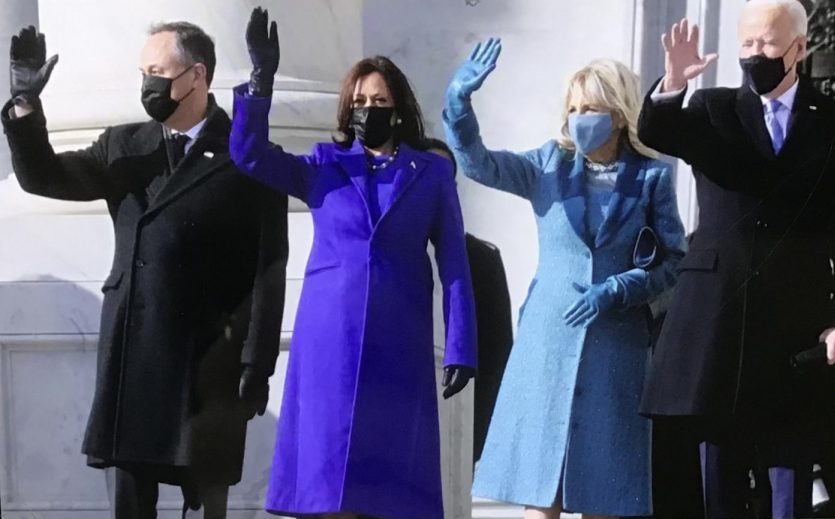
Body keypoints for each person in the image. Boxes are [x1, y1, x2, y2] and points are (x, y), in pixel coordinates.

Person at [3, 22, 288, 519]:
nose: (148, 85)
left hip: (209, 359)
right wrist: (25, 107)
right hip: (137, 352)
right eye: (143, 73)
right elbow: (44, 177)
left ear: (196, 75)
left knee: (209, 498)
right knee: (132, 499)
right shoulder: (124, 145)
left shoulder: (245, 153)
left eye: (158, 72)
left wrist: (256, 362)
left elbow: (268, 267)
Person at [230, 9, 477, 519]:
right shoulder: (323, 164)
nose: (370, 109)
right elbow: (249, 154)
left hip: (399, 340)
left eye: (380, 101)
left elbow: (453, 260)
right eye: (361, 101)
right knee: (328, 476)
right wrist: (261, 81)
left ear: (400, 109)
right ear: (347, 110)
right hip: (329, 338)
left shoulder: (430, 172)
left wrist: (461, 347)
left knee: (388, 482)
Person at [637, 1, 835, 517]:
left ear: (799, 48)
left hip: (797, 328)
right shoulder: (712, 110)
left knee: (790, 482)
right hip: (720, 323)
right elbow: (657, 133)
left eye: (766, 43)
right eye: (746, 44)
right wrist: (673, 82)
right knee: (716, 475)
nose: (754, 55)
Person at [443, 38, 686, 519]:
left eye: (590, 107)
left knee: (603, 491)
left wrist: (619, 288)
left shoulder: (653, 176)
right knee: (542, 492)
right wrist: (459, 104)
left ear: (617, 115)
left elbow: (673, 261)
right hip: (549, 343)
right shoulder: (547, 165)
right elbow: (479, 163)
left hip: (615, 350)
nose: (578, 117)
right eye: (573, 107)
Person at [424, 137, 515, 463]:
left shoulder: (480, 257)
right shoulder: (383, 253)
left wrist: (476, 437)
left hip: (458, 423)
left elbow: (496, 352)